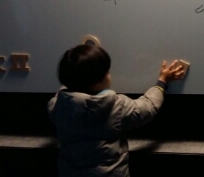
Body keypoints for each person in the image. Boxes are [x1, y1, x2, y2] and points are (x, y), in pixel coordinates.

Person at [48, 44, 185, 176]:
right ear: (97, 84)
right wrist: (162, 82)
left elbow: (61, 96)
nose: (109, 74)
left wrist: (72, 78)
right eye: (107, 72)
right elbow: (148, 107)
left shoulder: (58, 106)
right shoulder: (115, 106)